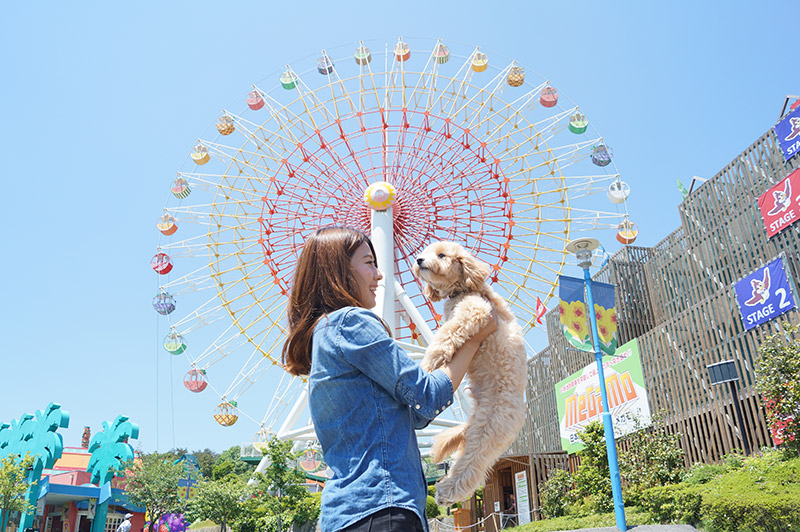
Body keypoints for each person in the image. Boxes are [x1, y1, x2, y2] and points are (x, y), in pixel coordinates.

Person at [282, 227, 496, 532]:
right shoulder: (350, 322)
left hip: (347, 513)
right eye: (369, 263)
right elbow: (427, 395)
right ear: (337, 271)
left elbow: (417, 413)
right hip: (381, 509)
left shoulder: (324, 333)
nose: (380, 275)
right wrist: (475, 338)